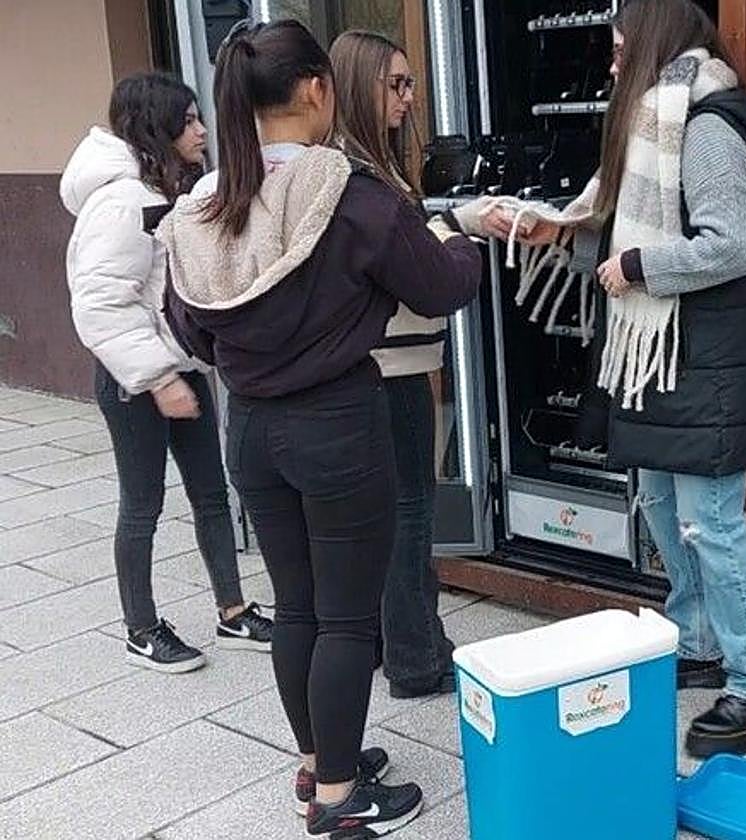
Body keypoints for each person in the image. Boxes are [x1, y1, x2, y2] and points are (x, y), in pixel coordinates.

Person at [157, 21, 492, 837]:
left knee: (298, 608)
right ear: (317, 88)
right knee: (346, 618)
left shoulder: (204, 205)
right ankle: (341, 799)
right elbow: (440, 285)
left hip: (253, 432)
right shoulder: (346, 194)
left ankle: (318, 760)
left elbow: (191, 331)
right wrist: (464, 235)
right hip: (339, 424)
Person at [513, 0, 746, 758]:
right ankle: (698, 643)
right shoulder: (661, 121)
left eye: (619, 44)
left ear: (653, 44)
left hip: (704, 357)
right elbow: (629, 213)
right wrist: (565, 228)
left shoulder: (703, 126)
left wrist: (636, 266)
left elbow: (734, 243)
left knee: (711, 521)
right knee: (665, 504)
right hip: (671, 356)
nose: (611, 59)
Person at [60, 73, 273, 675]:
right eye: (187, 121)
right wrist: (158, 378)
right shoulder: (121, 201)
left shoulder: (164, 188)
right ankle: (141, 628)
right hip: (135, 381)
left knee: (212, 494)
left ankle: (233, 612)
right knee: (143, 504)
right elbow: (101, 304)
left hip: (178, 369)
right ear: (156, 129)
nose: (201, 130)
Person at [330, 29, 457, 699]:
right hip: (397, 370)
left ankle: (402, 641)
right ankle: (416, 657)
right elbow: (427, 279)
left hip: (372, 367)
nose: (410, 99)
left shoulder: (348, 167)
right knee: (411, 513)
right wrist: (451, 235)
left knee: (386, 518)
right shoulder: (368, 178)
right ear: (359, 87)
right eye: (398, 85)